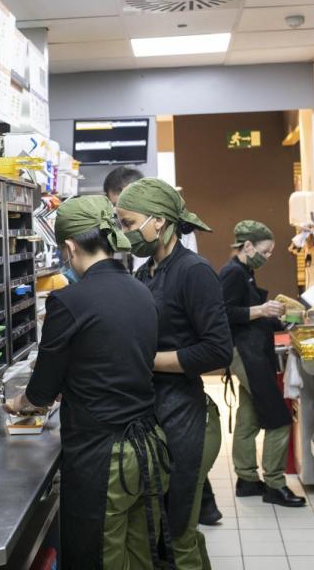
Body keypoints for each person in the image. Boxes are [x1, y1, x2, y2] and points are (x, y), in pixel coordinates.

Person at [6, 195, 173, 569]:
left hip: (104, 456)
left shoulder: (68, 302)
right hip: (147, 445)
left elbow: (41, 393)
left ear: (69, 246)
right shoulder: (141, 291)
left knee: (97, 558)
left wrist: (16, 403)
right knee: (139, 553)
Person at [116, 178, 233, 569]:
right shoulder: (147, 272)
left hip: (188, 417)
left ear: (160, 222)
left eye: (130, 224)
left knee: (178, 531)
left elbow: (218, 349)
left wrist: (147, 360)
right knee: (163, 531)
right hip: (159, 413)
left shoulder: (193, 272)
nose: (126, 234)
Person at [218, 220, 306, 507]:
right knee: (279, 419)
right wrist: (260, 309)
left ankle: (246, 479)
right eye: (265, 251)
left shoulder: (245, 271)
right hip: (246, 354)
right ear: (247, 246)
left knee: (249, 416)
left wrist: (278, 318)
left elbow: (250, 314)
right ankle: (275, 484)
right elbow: (223, 313)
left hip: (253, 349)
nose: (268, 257)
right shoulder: (232, 273)